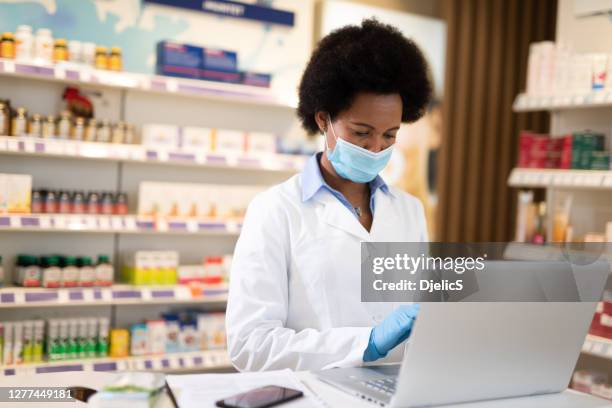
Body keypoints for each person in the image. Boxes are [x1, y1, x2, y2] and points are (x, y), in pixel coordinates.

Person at [226, 18, 432, 371]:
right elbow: (250, 344)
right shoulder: (275, 210)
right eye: (361, 132)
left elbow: (422, 321)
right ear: (324, 119)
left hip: (397, 394)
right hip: (314, 395)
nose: (375, 147)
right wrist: (364, 343)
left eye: (389, 135)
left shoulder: (409, 211)